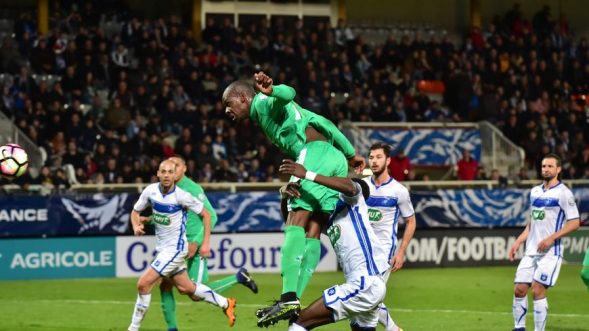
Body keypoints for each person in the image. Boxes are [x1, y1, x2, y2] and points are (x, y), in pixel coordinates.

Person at [223, 72, 365, 326]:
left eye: (228, 104)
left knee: (295, 218)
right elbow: (324, 122)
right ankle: (294, 298)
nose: (227, 111)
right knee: (314, 228)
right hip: (334, 159)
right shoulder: (275, 113)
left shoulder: (264, 103)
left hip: (313, 154)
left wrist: (272, 89)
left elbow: (288, 93)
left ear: (244, 97)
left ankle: (288, 296)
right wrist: (351, 154)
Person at [279, 159, 389, 331]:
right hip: (366, 286)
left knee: (299, 323)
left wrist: (308, 174)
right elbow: (296, 221)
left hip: (364, 284)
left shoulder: (353, 201)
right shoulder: (328, 218)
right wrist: (286, 196)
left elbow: (350, 186)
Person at [127, 160, 236, 331]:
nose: (166, 175)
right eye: (163, 171)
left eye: (170, 172)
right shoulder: (150, 191)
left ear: (175, 174)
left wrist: (205, 242)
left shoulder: (182, 196)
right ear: (158, 173)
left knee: (143, 284)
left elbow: (207, 215)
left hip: (176, 249)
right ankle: (225, 303)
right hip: (163, 249)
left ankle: (133, 328)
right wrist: (136, 225)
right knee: (187, 288)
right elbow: (135, 211)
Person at [156, 156, 257, 331]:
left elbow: (212, 215)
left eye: (177, 166)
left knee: (194, 292)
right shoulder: (167, 189)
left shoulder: (192, 189)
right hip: (176, 246)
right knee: (165, 284)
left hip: (193, 246)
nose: (173, 169)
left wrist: (199, 243)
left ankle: (238, 279)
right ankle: (172, 328)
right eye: (170, 166)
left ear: (185, 168)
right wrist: (148, 219)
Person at [508, 153, 580, 331]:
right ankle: (519, 328)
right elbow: (533, 221)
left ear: (558, 169)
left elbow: (575, 222)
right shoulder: (535, 192)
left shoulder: (564, 193)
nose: (546, 169)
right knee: (519, 289)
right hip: (531, 250)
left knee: (538, 289)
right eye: (543, 166)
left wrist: (551, 238)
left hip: (551, 252)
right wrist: (518, 241)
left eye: (550, 166)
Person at [363, 142, 416, 331]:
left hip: (384, 253)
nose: (374, 161)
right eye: (371, 157)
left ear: (388, 160)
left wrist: (401, 252)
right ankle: (394, 329)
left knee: (367, 295)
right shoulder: (361, 187)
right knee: (365, 297)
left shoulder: (398, 191)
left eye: (378, 157)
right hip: (361, 252)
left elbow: (411, 221)